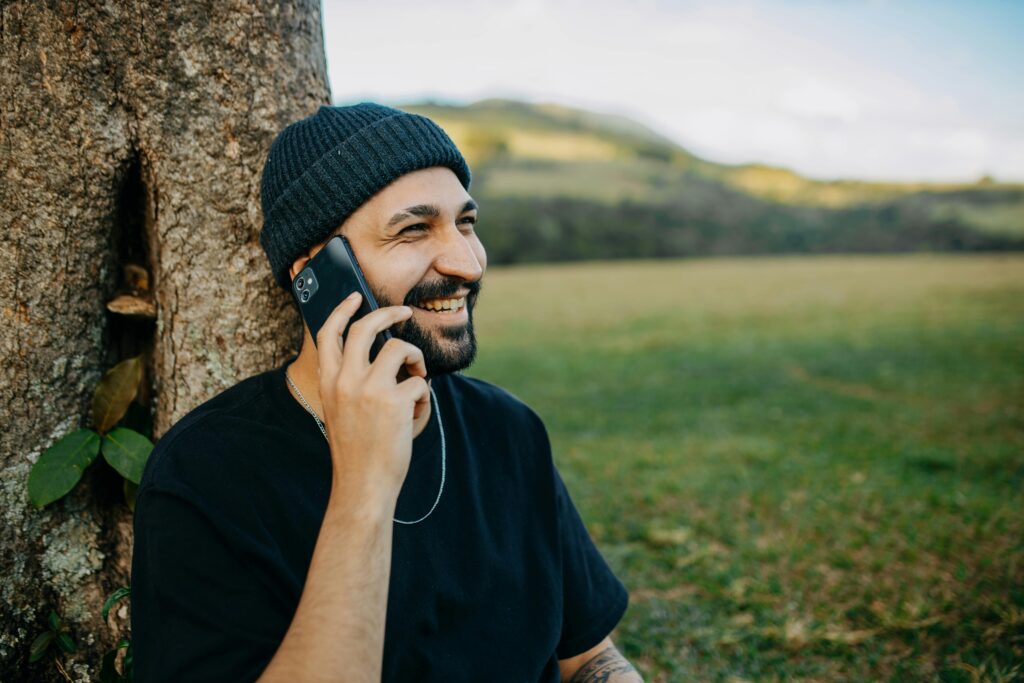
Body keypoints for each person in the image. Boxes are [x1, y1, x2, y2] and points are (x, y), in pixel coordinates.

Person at [131, 103, 642, 683]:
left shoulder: (510, 429)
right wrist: (367, 486)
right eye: (414, 229)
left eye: (466, 223)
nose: (468, 263)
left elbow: (590, 657)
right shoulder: (206, 474)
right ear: (316, 276)